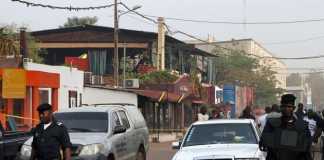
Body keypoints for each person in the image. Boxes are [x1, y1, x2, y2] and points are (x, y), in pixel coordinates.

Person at [259, 94, 312, 160]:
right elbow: (264, 143)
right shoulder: (272, 124)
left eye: (289, 107)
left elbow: (306, 147)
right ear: (281, 108)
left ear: (293, 108)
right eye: (284, 107)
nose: (287, 109)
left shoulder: (302, 126)